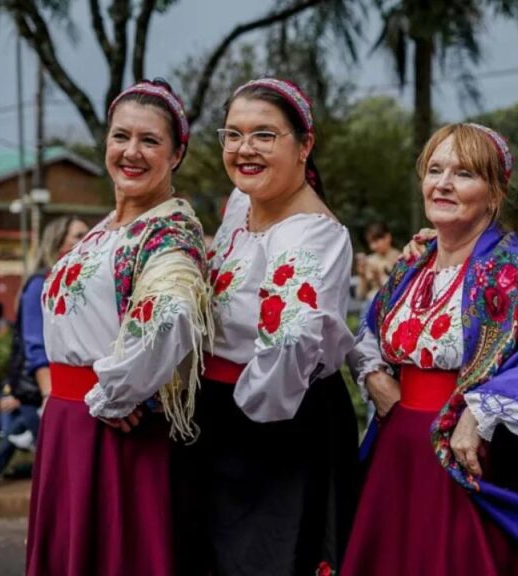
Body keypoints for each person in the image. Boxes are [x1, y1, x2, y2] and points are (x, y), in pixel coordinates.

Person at [342, 123, 518, 576]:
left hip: (473, 464)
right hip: (399, 459)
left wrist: (480, 410)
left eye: (464, 173)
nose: (443, 183)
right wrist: (373, 376)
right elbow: (371, 328)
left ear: (494, 194)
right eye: (435, 170)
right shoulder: (413, 267)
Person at [26, 79, 211, 576]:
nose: (131, 152)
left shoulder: (169, 234)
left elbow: (171, 317)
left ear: (176, 154)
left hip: (111, 433)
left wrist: (114, 393)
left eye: (150, 140)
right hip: (68, 424)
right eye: (120, 136)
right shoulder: (107, 228)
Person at [185, 77, 358, 575]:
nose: (245, 148)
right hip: (217, 415)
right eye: (233, 134)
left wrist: (231, 419)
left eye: (264, 135)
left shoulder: (312, 236)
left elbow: (290, 345)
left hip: (273, 424)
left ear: (304, 145)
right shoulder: (241, 205)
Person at [0, 216, 88, 488]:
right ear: (58, 242)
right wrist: (48, 393)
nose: (87, 239)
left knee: (21, 436)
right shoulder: (41, 282)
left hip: (58, 390)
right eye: (78, 235)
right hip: (43, 390)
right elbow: (34, 344)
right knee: (53, 459)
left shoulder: (75, 281)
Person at [356, 222, 401, 304]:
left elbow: (398, 290)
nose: (372, 247)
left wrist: (378, 276)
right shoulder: (369, 260)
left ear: (387, 237)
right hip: (371, 303)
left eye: (376, 241)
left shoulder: (400, 258)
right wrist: (362, 276)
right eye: (370, 242)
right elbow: (360, 295)